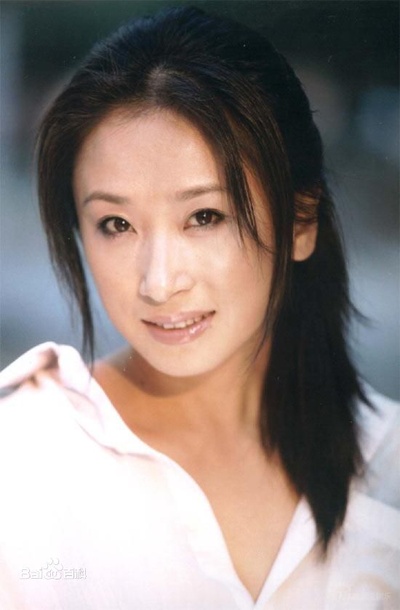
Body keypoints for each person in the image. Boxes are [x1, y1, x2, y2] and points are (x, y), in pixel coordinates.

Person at [0, 6, 398, 609]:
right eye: (116, 224)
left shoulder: (388, 464)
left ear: (301, 221)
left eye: (204, 216)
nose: (159, 283)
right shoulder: (22, 459)